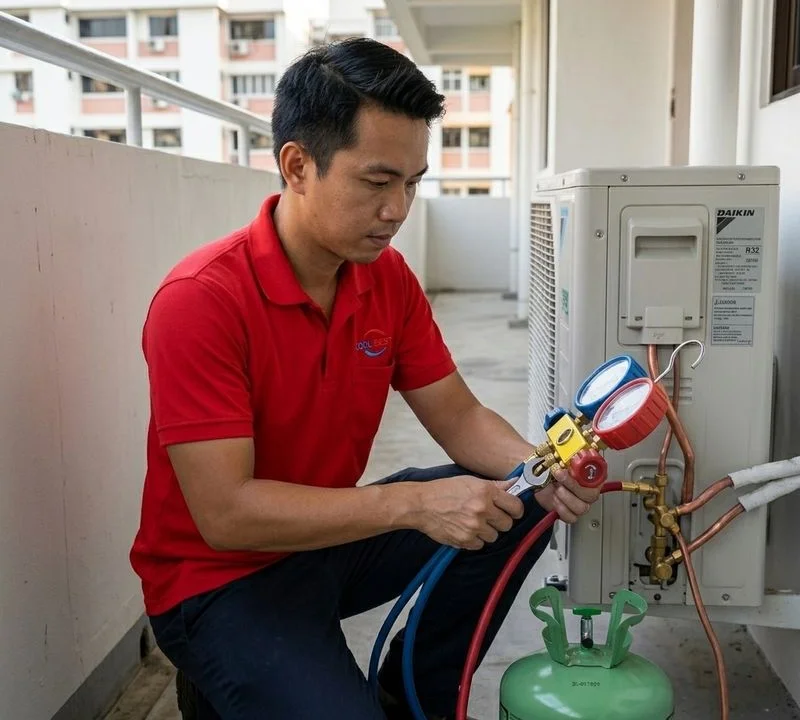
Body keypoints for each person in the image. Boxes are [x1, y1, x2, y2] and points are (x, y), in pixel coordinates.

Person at [130, 37, 601, 720]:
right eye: (377, 183)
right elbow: (226, 514)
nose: (399, 209)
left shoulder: (385, 281)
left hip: (323, 545)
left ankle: (412, 697)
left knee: (518, 501)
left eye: (413, 183)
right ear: (298, 166)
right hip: (216, 583)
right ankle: (220, 671)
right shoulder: (202, 300)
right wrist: (413, 507)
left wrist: (548, 467)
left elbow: (460, 416)